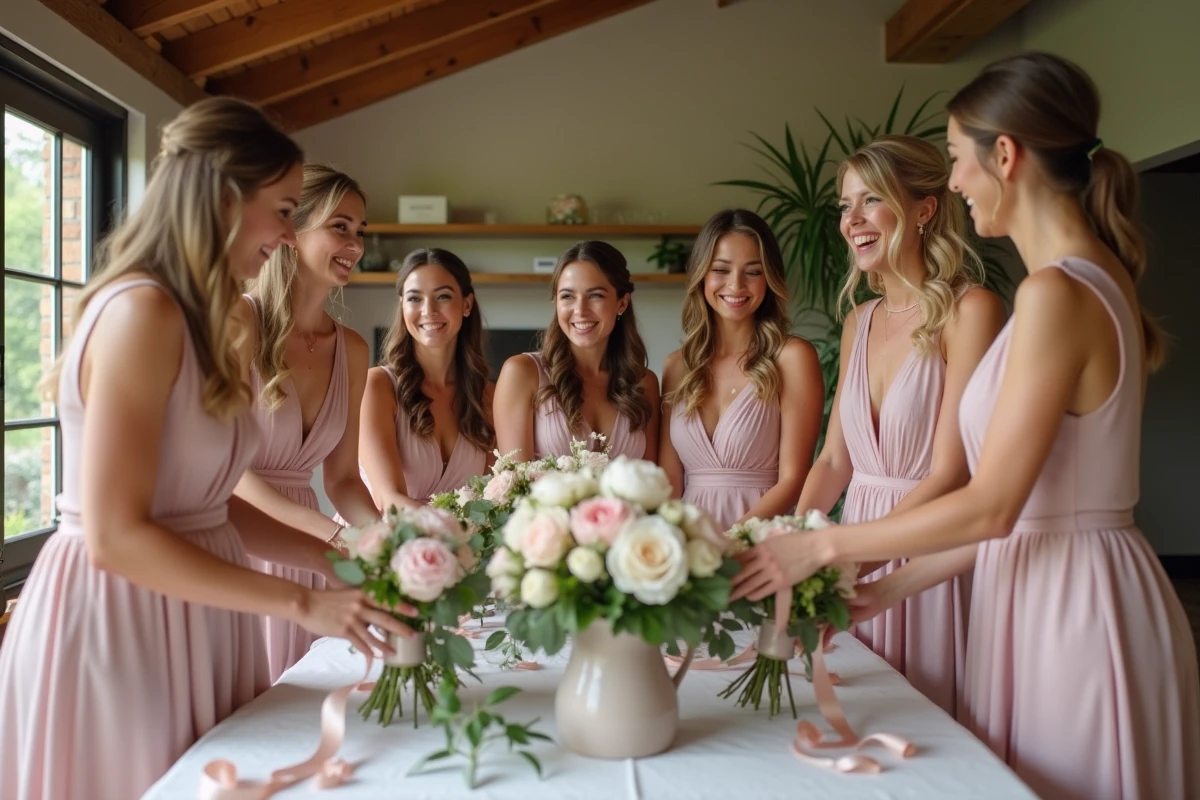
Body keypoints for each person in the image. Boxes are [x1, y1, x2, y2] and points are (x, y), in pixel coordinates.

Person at [731, 53, 1199, 799]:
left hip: (1074, 604)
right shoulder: (1081, 279)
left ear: (1004, 156)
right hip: (1035, 581)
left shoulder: (1054, 292)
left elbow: (991, 504)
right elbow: (1021, 513)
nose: (951, 182)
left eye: (955, 158)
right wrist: (886, 590)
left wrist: (822, 545)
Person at [0, 98, 411, 800]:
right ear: (224, 197)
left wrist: (341, 565)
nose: (287, 234)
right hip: (122, 614)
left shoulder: (206, 319)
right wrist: (302, 604)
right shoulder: (141, 311)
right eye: (283, 211)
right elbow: (116, 537)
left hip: (201, 612)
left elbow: (210, 506)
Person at [792, 135, 1005, 715]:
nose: (852, 220)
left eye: (871, 200)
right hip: (856, 540)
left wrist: (853, 560)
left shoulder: (970, 311)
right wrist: (796, 544)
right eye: (845, 205)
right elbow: (835, 460)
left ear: (924, 209)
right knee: (854, 717)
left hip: (928, 551)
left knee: (929, 725)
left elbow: (952, 472)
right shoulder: (858, 321)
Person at [236, 164, 383, 682]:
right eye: (340, 227)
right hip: (239, 541)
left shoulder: (354, 349)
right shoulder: (240, 323)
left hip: (312, 551)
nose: (355, 244)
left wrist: (385, 539)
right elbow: (227, 471)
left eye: (360, 230)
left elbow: (343, 479)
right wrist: (331, 534)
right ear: (292, 232)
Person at [658, 208, 824, 530]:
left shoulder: (792, 358)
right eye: (721, 269)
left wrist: (734, 541)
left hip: (762, 538)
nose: (736, 285)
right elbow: (669, 482)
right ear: (702, 275)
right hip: (690, 541)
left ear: (769, 279)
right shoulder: (677, 366)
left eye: (753, 271)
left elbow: (794, 479)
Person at [494, 241, 659, 462]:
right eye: (567, 296)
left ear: (621, 303)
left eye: (595, 295)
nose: (580, 310)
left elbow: (651, 476)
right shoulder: (522, 373)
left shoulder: (644, 383)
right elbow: (514, 478)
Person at [359, 248, 493, 511]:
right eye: (414, 298)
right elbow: (388, 500)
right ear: (402, 306)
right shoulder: (377, 386)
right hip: (383, 534)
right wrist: (449, 530)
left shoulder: (488, 398)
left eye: (442, 296)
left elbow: (491, 503)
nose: (428, 310)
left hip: (457, 536)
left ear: (467, 304)